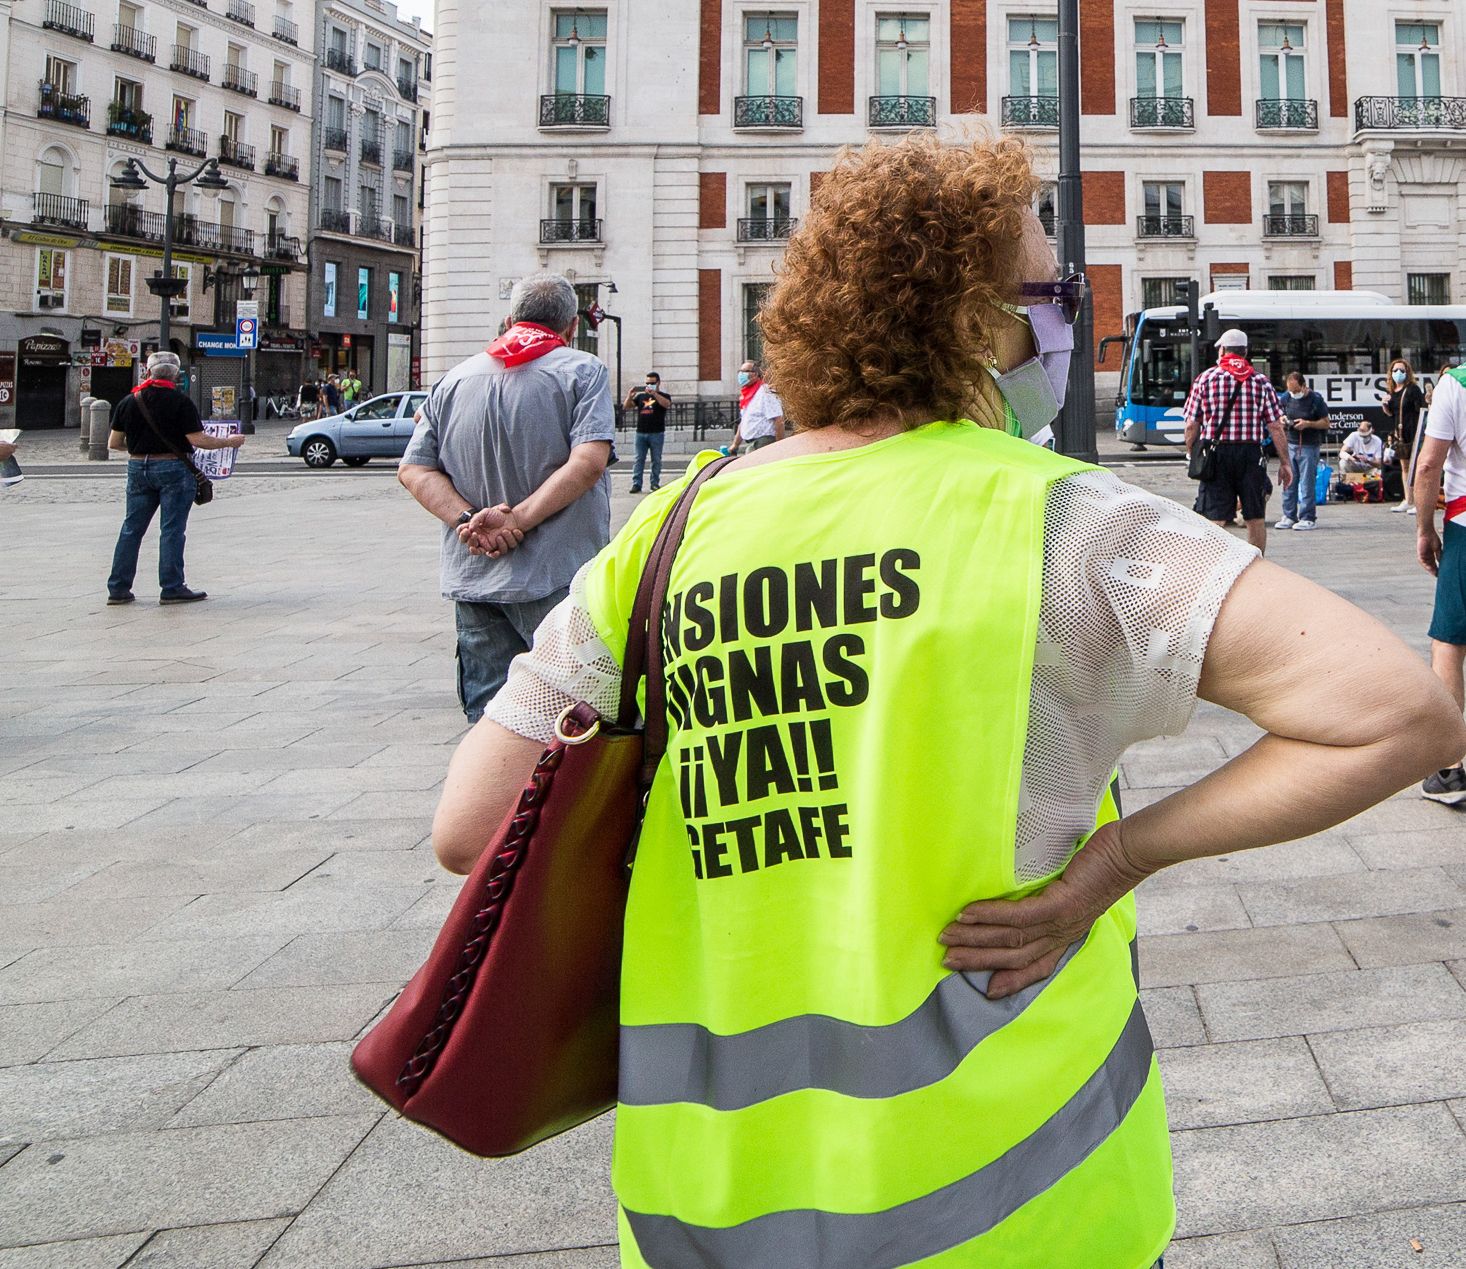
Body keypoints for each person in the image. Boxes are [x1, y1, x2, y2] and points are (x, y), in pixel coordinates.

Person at [433, 135, 1463, 1267]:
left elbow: (470, 827)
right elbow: (1396, 713)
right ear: (975, 322)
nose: (1060, 320)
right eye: (1049, 290)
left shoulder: (671, 531)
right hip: (1029, 1201)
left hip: (709, 1209)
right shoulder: (1064, 519)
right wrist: (1115, 863)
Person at [398, 272, 614, 723]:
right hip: (557, 576)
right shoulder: (582, 370)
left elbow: (414, 469)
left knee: (489, 719)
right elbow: (589, 462)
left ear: (509, 318)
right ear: (571, 327)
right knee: (568, 720)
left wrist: (468, 519)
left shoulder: (453, 379)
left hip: (475, 577)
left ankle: (494, 794)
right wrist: (516, 521)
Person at [105, 351, 246, 605]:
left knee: (131, 528)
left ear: (148, 372)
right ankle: (171, 587)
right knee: (171, 529)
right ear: (176, 376)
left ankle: (118, 589)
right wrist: (229, 441)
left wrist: (141, 447)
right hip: (173, 469)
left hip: (138, 468)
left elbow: (114, 443)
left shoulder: (129, 401)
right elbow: (197, 440)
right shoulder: (180, 402)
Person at [1184, 329, 1293, 554]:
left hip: (1216, 454)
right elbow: (1276, 426)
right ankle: (1256, 564)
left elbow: (1191, 425)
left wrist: (1191, 452)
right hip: (1251, 455)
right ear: (1245, 352)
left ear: (1223, 350)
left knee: (1214, 517)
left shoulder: (1206, 378)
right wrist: (1285, 463)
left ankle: (1215, 565)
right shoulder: (1260, 381)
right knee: (1255, 516)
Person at [1413, 365, 1466, 803]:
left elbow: (1429, 462)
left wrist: (1424, 528)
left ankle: (1449, 769)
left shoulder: (1457, 382)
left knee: (1449, 639)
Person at [1275, 371, 1328, 532]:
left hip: (1309, 445)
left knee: (1307, 483)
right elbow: (1278, 414)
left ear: (1304, 386)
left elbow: (1326, 423)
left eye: (1296, 391)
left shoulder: (1316, 400)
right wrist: (1283, 420)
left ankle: (1308, 517)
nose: (1294, 394)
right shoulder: (1286, 398)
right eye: (1291, 391)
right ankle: (1289, 515)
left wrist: (1308, 424)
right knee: (1289, 481)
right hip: (1290, 444)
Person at [1383, 358, 1425, 514]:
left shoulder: (1412, 389)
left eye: (1401, 370)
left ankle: (1418, 501)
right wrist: (1385, 405)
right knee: (1405, 467)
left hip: (1413, 432)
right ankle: (1408, 499)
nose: (1398, 373)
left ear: (1407, 372)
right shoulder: (1392, 391)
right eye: (1395, 370)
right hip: (1400, 434)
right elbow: (1392, 414)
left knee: (1416, 467)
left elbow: (1421, 409)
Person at [624, 371, 671, 493]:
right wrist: (630, 396)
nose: (649, 385)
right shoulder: (641, 397)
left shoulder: (664, 396)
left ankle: (654, 483)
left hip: (657, 432)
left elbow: (666, 404)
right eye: (647, 383)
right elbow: (626, 406)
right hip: (641, 432)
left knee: (656, 459)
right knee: (639, 459)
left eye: (652, 383)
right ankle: (636, 484)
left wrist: (655, 394)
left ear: (658, 383)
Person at [729, 359, 784, 454]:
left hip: (763, 442)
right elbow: (744, 422)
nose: (741, 374)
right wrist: (735, 445)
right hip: (751, 442)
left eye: (745, 371)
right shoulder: (746, 395)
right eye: (740, 371)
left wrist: (779, 446)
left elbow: (778, 420)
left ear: (755, 374)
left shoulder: (765, 392)